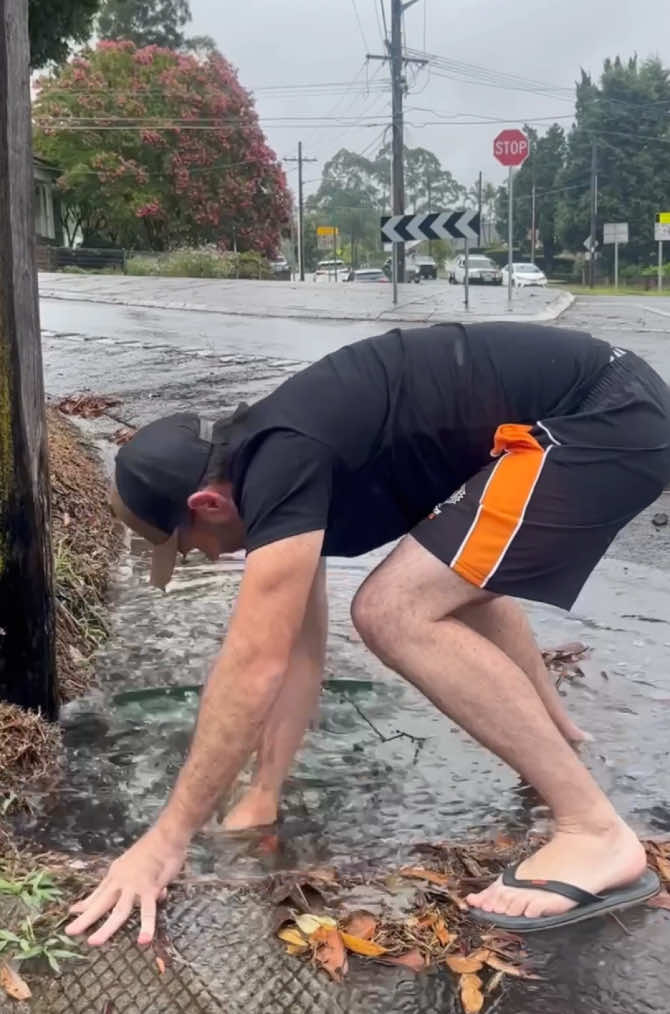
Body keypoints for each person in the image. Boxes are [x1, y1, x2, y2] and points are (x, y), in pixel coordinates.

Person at [66, 321, 670, 947]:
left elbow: (252, 665)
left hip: (603, 417)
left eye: (189, 548)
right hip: (594, 410)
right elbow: (298, 650)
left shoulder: (283, 463)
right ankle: (559, 745)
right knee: (442, 588)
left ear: (206, 505)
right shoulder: (273, 465)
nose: (205, 560)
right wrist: (261, 795)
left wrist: (166, 839)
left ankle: (594, 832)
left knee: (391, 610)